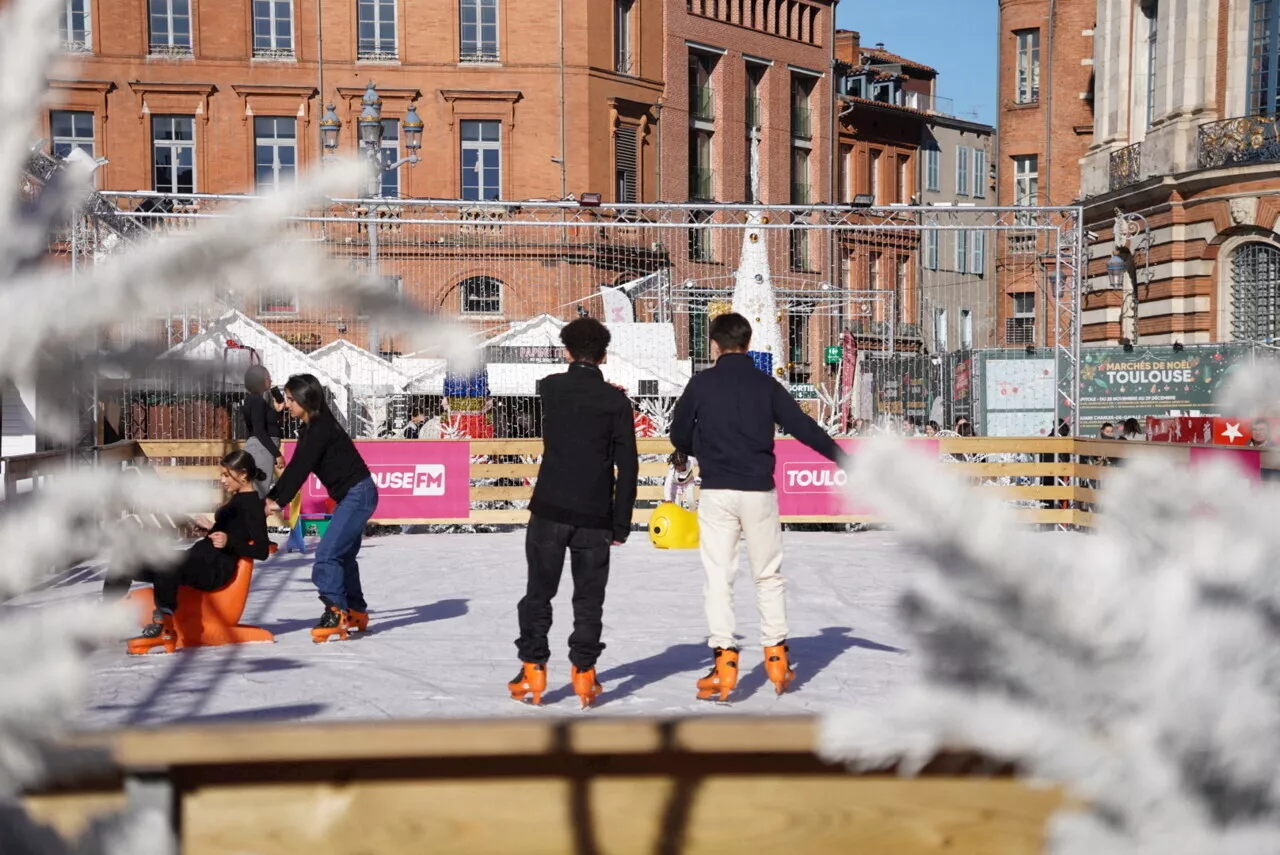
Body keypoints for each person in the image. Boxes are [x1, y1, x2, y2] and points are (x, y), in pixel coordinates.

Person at [670, 312, 848, 702]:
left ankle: (724, 660)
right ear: (748, 343)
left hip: (717, 491)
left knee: (719, 577)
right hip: (758, 492)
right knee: (768, 575)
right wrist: (841, 457)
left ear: (714, 344)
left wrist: (700, 446)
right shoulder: (766, 386)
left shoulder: (701, 385)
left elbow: (678, 432)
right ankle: (777, 657)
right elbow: (803, 428)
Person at [509, 318, 638, 709]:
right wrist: (621, 521)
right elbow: (628, 466)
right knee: (588, 600)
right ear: (604, 355)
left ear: (566, 351)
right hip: (596, 514)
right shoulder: (616, 402)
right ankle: (584, 674)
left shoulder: (551, 388)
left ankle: (533, 666)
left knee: (538, 593)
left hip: (549, 508)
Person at [105, 450, 270, 653]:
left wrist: (230, 542)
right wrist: (210, 530)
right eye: (222, 474)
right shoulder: (238, 499)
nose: (222, 480)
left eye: (226, 475)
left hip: (215, 570)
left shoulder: (253, 506)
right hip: (200, 558)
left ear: (243, 474)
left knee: (168, 563)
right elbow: (231, 530)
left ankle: (164, 626)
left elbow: (262, 551)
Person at [265, 374, 379, 642]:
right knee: (342, 556)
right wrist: (274, 497)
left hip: (358, 494)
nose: (287, 404)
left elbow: (300, 468)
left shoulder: (319, 429)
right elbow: (297, 466)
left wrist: (274, 500)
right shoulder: (310, 427)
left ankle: (336, 611)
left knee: (327, 554)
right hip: (355, 494)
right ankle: (355, 610)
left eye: (291, 399)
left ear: (306, 399)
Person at [241, 365, 285, 499]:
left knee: (258, 489)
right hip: (262, 449)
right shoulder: (257, 401)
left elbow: (264, 425)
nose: (270, 381)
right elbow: (259, 431)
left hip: (260, 447)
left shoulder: (255, 400)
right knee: (259, 491)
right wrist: (277, 454)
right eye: (268, 377)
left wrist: (279, 410)